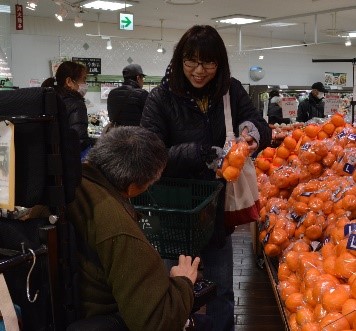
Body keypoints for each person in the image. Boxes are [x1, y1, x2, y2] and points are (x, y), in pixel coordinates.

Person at [140, 25, 271, 331]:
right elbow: (149, 153)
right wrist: (198, 152)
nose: (199, 71)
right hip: (173, 213)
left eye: (208, 63)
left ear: (220, 63)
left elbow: (260, 125)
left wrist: (251, 134)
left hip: (216, 213)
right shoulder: (160, 98)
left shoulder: (231, 91)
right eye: (191, 62)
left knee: (221, 290)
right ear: (179, 59)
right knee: (172, 294)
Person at [66, 126, 201, 331]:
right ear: (133, 187)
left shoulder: (73, 183)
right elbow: (156, 322)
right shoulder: (119, 228)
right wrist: (183, 282)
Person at [42, 61, 95, 159]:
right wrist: (94, 142)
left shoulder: (51, 100)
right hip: (70, 162)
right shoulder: (76, 104)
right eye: (83, 79)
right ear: (69, 81)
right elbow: (78, 140)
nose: (85, 84)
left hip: (49, 159)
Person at [106, 64, 149, 129]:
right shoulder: (142, 94)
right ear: (138, 78)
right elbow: (148, 119)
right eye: (142, 78)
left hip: (116, 136)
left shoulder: (112, 93)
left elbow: (111, 117)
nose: (143, 81)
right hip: (135, 136)